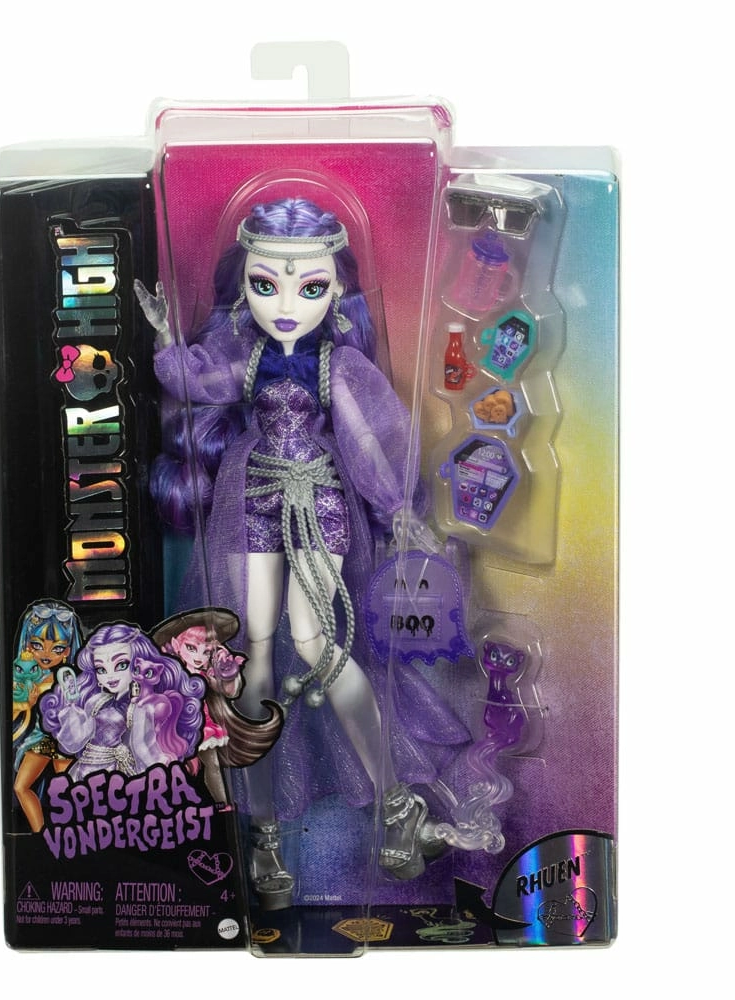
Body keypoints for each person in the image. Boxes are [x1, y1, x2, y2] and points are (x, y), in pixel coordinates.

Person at [138, 197, 470, 908]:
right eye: (266, 285)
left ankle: (395, 800)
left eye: (310, 286)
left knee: (314, 639)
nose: (287, 305)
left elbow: (370, 439)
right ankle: (262, 832)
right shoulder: (244, 355)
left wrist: (398, 509)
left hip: (319, 502)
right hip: (249, 502)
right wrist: (166, 336)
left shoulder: (339, 366)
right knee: (250, 651)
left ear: (338, 288)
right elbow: (193, 380)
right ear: (243, 285)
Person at [152, 608, 283, 811]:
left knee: (212, 765)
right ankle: (167, 805)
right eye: (191, 648)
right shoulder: (170, 673)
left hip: (203, 725)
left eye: (206, 651)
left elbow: (229, 691)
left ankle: (222, 804)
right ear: (177, 644)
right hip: (174, 727)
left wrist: (226, 672)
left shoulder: (206, 675)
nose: (199, 657)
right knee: (170, 767)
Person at [40, 622, 205, 780]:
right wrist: (71, 706)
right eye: (101, 669)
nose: (110, 676)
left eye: (121, 665)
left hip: (119, 774)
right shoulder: (96, 701)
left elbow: (142, 746)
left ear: (138, 662)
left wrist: (160, 766)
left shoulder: (140, 706)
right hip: (86, 770)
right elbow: (74, 742)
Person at [11, 600, 81, 833]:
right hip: (39, 740)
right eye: (38, 645)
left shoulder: (67, 676)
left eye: (57, 648)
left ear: (67, 651)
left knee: (68, 791)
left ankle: (74, 834)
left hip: (63, 740)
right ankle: (40, 834)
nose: (47, 654)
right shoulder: (25, 676)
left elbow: (75, 707)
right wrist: (27, 703)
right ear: (28, 645)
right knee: (21, 787)